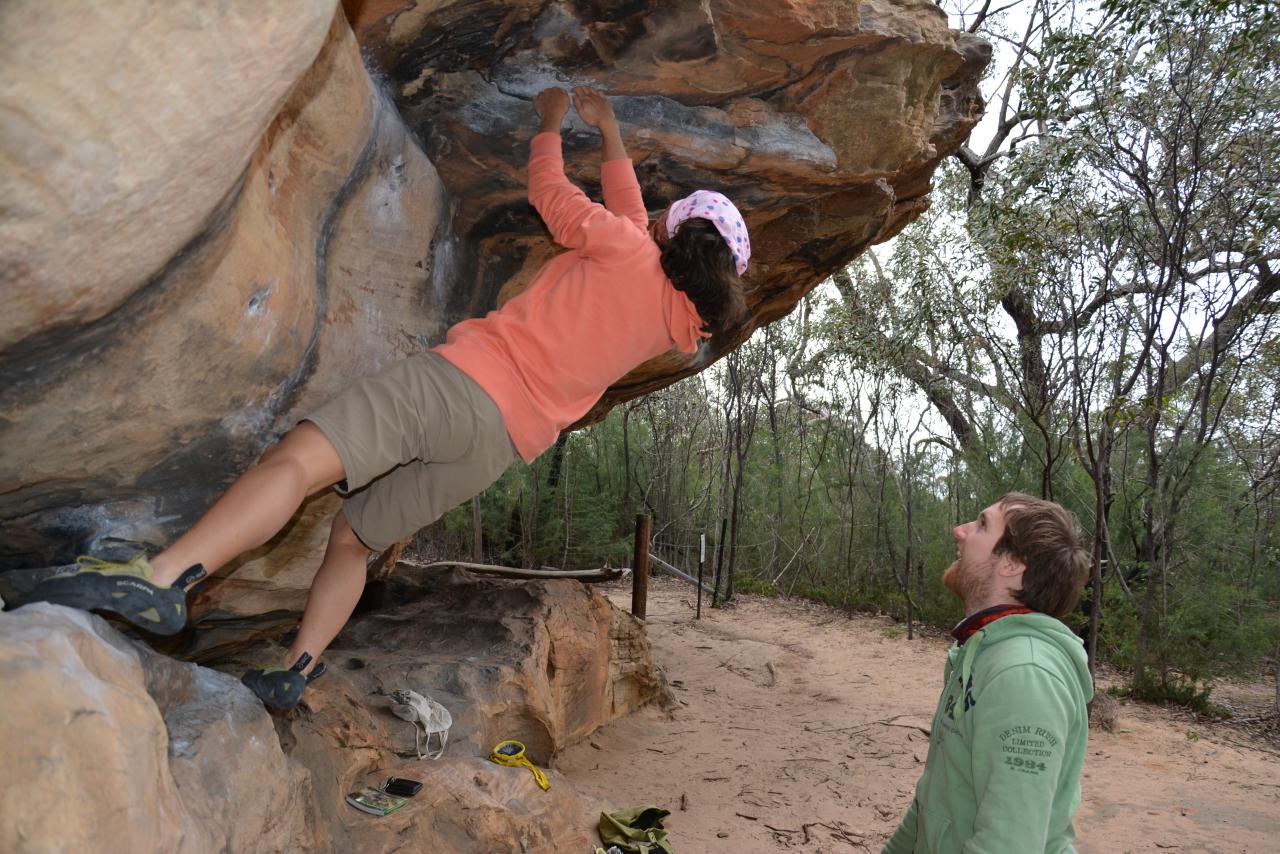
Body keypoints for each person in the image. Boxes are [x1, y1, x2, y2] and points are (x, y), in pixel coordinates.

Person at [22, 86, 750, 709]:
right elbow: (629, 216)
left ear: (673, 227)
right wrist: (612, 130)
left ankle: (161, 577)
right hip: (495, 446)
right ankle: (294, 670)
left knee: (297, 465)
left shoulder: (624, 250)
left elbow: (552, 198)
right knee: (353, 537)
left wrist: (554, 120)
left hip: (461, 384)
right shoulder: (673, 328)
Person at [882, 492, 1093, 854]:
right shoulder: (982, 650)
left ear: (1012, 562)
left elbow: (1008, 844)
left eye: (981, 525)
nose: (960, 531)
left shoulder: (1024, 674)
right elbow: (935, 800)